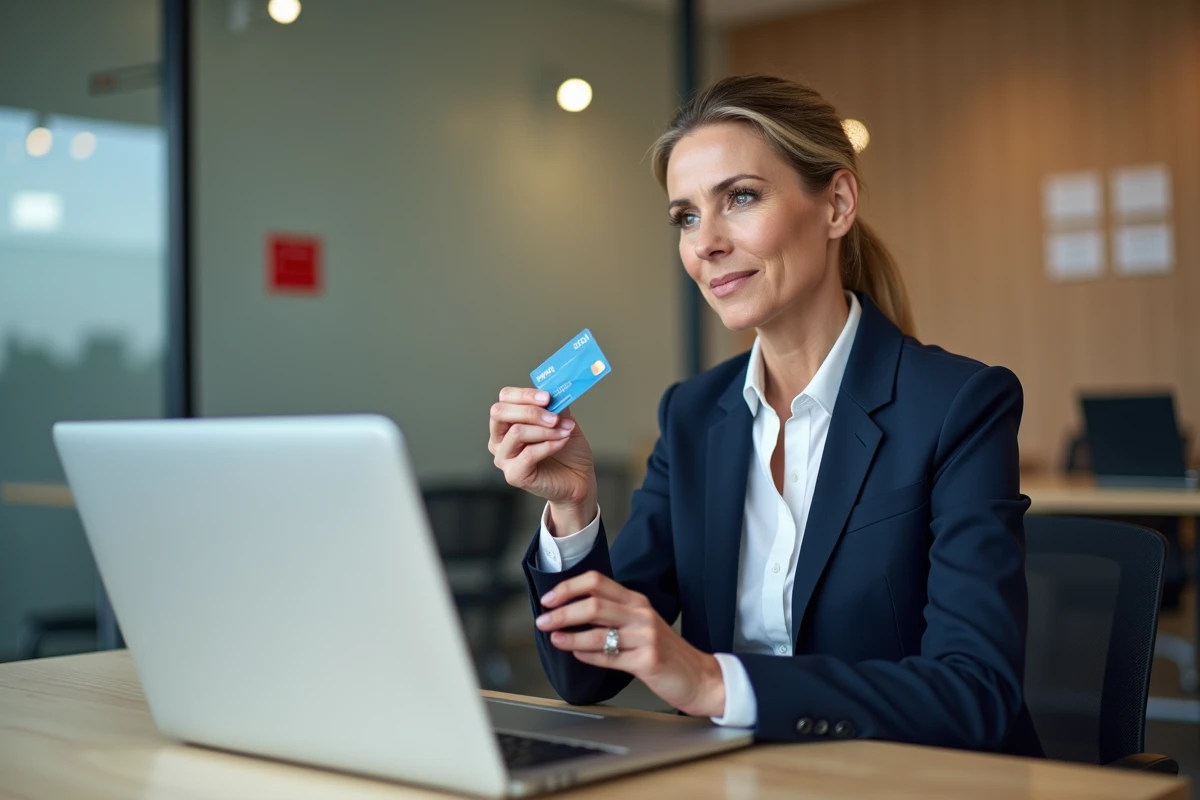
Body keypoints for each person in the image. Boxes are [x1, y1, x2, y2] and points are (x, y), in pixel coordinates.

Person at [486, 74, 1042, 755]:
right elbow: (584, 673)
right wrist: (572, 511)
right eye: (686, 216)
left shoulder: (959, 405)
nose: (706, 243)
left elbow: (975, 694)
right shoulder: (692, 416)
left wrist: (716, 683)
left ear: (837, 204)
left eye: (740, 198)